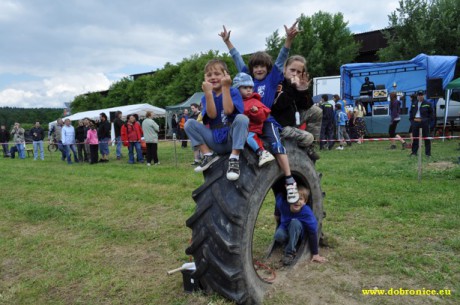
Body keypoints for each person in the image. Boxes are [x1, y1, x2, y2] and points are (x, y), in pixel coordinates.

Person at [220, 22, 300, 202]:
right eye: (255, 66)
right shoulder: (247, 79)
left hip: (265, 120)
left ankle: (289, 180)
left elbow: (281, 58)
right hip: (247, 120)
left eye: (262, 66)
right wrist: (228, 42)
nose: (259, 69)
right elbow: (238, 60)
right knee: (239, 139)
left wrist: (288, 39)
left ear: (268, 68)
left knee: (277, 144)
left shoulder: (272, 79)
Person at [184, 59, 249, 181]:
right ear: (205, 78)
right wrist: (208, 93)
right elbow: (212, 115)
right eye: (209, 75)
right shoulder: (205, 96)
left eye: (217, 74)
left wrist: (225, 87)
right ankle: (208, 155)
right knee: (189, 123)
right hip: (215, 139)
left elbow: (229, 111)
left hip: (232, 138)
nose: (213, 77)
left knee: (242, 118)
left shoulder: (233, 91)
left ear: (226, 75)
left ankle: (234, 157)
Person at [270, 55, 321, 161]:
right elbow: (279, 105)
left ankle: (310, 147)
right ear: (284, 69)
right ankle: (304, 145)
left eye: (298, 72)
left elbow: (307, 106)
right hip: (280, 126)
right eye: (292, 70)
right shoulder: (278, 83)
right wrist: (293, 87)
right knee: (308, 137)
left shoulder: (297, 85)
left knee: (317, 111)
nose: (295, 74)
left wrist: (303, 90)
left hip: (293, 119)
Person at [274, 185, 327, 266]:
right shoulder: (283, 205)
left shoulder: (306, 213)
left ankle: (289, 253)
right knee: (278, 235)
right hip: (285, 228)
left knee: (294, 223)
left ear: (305, 201)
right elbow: (278, 198)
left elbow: (313, 231)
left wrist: (315, 254)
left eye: (301, 199)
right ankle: (289, 243)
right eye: (294, 198)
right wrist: (277, 214)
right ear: (289, 199)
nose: (297, 201)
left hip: (299, 231)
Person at [233, 72, 275, 167]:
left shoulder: (254, 101)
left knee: (249, 138)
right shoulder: (236, 102)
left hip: (252, 128)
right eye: (245, 87)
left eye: (250, 88)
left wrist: (256, 112)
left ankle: (262, 152)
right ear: (237, 89)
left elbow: (263, 116)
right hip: (240, 129)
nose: (248, 90)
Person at [409, 90, 434, 157]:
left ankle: (428, 154)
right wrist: (412, 121)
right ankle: (414, 153)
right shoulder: (414, 103)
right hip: (415, 122)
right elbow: (411, 112)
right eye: (419, 95)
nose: (420, 96)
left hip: (424, 122)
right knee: (415, 138)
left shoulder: (428, 103)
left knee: (426, 138)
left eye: (421, 95)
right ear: (417, 96)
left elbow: (431, 114)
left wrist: (427, 121)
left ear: (424, 95)